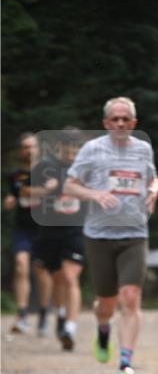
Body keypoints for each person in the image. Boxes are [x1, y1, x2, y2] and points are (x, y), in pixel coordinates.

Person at [63, 97, 158, 374]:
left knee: (130, 297)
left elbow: (154, 179)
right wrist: (94, 194)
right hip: (99, 236)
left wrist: (154, 191)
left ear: (134, 123)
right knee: (106, 303)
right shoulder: (92, 149)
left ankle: (125, 364)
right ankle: (103, 328)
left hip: (135, 233)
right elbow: (70, 185)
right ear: (105, 123)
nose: (120, 123)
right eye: (114, 119)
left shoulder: (143, 148)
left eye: (125, 119)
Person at [24, 129, 86, 351]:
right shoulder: (45, 167)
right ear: (60, 147)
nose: (72, 153)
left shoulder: (85, 169)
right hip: (50, 231)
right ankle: (60, 313)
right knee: (58, 278)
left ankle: (70, 327)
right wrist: (44, 190)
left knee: (70, 277)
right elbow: (25, 192)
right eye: (69, 148)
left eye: (76, 149)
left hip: (75, 230)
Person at [5, 133, 53, 336]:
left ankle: (43, 314)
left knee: (41, 271)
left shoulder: (48, 170)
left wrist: (36, 192)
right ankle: (22, 314)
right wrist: (10, 199)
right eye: (25, 147)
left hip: (43, 228)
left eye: (31, 146)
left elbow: (54, 192)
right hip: (22, 228)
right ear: (20, 150)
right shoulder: (15, 175)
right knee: (20, 264)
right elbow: (17, 194)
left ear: (38, 149)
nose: (28, 150)